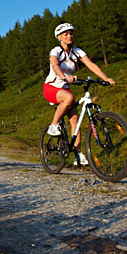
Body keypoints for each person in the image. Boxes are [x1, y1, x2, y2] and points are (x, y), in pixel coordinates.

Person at [43, 23, 115, 164]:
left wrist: (105, 78)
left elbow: (91, 64)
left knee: (75, 120)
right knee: (69, 98)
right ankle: (53, 125)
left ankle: (78, 154)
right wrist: (64, 76)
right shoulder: (55, 51)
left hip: (64, 88)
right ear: (59, 38)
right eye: (66, 34)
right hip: (51, 88)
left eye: (71, 33)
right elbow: (55, 65)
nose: (69, 36)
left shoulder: (77, 52)